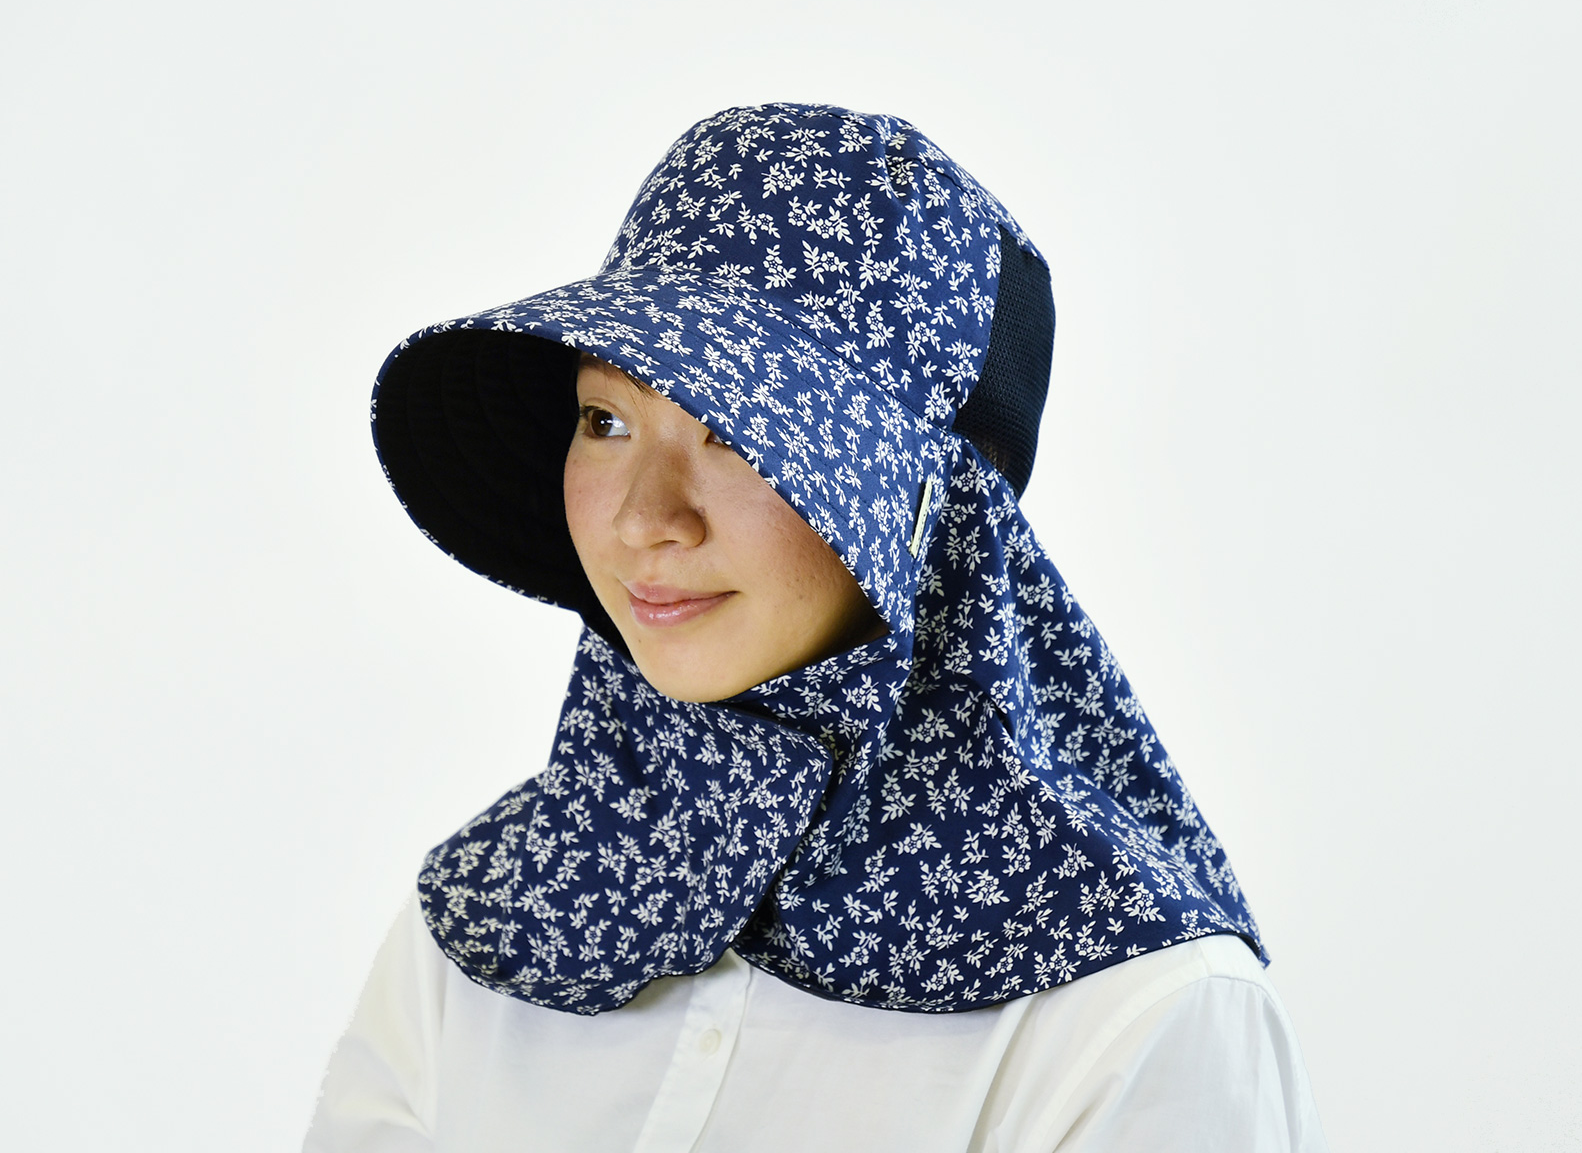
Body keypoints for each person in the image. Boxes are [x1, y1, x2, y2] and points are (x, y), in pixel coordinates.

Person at [306, 102, 1328, 1151]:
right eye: (605, 421)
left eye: (740, 432)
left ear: (936, 505)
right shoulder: (493, 922)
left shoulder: (1134, 1017)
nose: (644, 519)